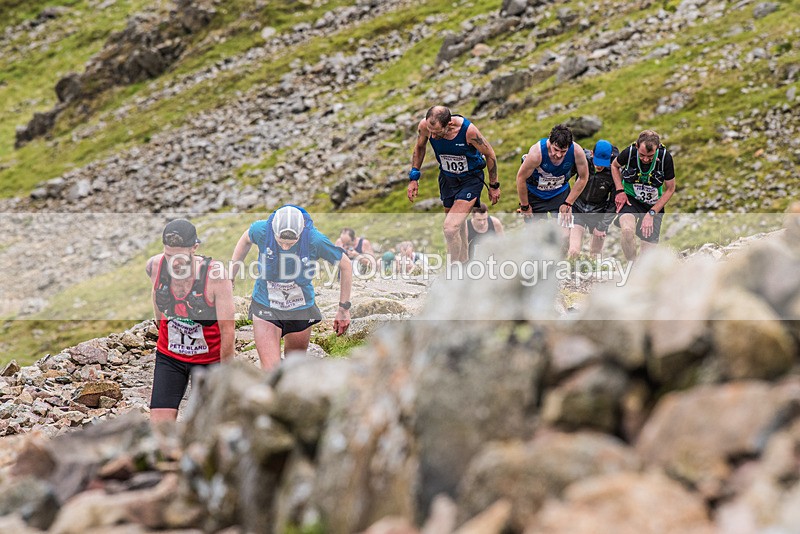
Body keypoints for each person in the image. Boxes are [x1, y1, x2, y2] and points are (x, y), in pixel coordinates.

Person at [230, 205, 351, 371]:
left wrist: (343, 308)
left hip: (300, 308)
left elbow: (345, 265)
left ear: (301, 233)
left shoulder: (314, 240)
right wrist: (231, 275)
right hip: (266, 304)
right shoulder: (262, 230)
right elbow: (245, 239)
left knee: (293, 367)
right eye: (281, 242)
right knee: (272, 371)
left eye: (291, 243)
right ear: (273, 231)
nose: (285, 247)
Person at [145, 219, 235, 423]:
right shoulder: (155, 266)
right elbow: (157, 295)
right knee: (159, 426)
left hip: (209, 361)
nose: (174, 262)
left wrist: (226, 373)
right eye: (169, 255)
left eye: (180, 256)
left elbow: (228, 329)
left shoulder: (216, 276)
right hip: (170, 356)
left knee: (205, 424)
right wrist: (161, 329)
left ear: (194, 248)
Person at [407, 106, 501, 263]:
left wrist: (494, 185)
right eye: (431, 132)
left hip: (470, 180)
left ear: (449, 124)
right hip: (448, 179)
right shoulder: (425, 126)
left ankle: (454, 271)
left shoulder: (469, 132)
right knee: (458, 225)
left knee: (450, 229)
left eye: (437, 132)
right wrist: (414, 177)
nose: (433, 136)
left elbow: (490, 154)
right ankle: (464, 265)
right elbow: (420, 146)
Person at [611, 130, 676, 261]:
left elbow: (670, 189)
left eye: (650, 156)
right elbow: (614, 165)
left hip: (653, 205)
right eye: (642, 155)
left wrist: (651, 213)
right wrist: (620, 190)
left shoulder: (665, 158)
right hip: (631, 200)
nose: (645, 159)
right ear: (636, 147)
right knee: (627, 231)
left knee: (647, 258)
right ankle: (631, 265)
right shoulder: (629, 153)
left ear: (657, 148)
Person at [515, 124, 590, 230]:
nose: (558, 155)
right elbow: (521, 178)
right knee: (537, 235)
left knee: (565, 235)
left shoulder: (577, 152)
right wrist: (525, 206)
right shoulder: (537, 153)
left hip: (560, 193)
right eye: (556, 149)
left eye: (563, 151)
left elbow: (583, 177)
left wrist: (568, 203)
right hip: (536, 194)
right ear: (550, 142)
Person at [567, 140, 620, 259]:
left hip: (599, 212)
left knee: (595, 254)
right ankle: (569, 274)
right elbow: (564, 177)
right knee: (574, 251)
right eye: (597, 162)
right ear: (592, 153)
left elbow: (614, 202)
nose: (599, 166)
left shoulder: (614, 171)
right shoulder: (583, 160)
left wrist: (602, 226)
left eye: (603, 163)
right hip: (578, 208)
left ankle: (594, 276)